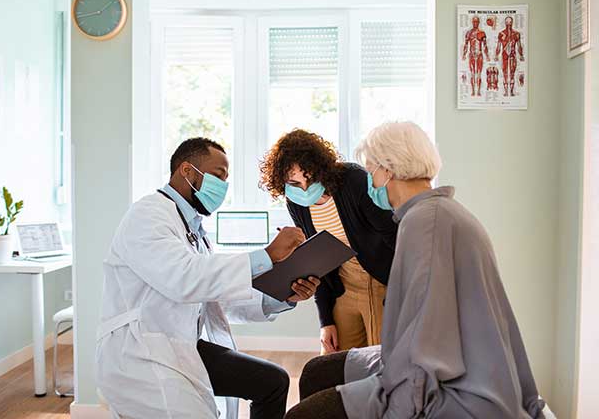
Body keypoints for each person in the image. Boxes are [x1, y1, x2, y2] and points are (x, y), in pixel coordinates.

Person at [286, 122, 546, 419]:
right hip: (443, 360)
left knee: (302, 415)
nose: (369, 180)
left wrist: (396, 409)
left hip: (455, 388)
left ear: (388, 170)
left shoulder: (425, 224)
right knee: (317, 371)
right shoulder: (434, 213)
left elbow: (426, 351)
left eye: (371, 171)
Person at [95, 137, 321, 419]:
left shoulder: (193, 229)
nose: (223, 188)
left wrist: (282, 296)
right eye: (218, 176)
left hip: (180, 344)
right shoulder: (148, 214)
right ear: (187, 171)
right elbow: (185, 280)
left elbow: (217, 296)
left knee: (272, 382)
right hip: (140, 353)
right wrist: (267, 255)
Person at [259, 129, 397, 355]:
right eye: (294, 182)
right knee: (333, 361)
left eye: (310, 178)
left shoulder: (354, 181)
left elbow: (395, 236)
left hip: (382, 282)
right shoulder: (296, 202)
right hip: (342, 286)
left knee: (382, 363)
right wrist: (325, 321)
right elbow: (316, 259)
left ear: (321, 169)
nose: (304, 188)